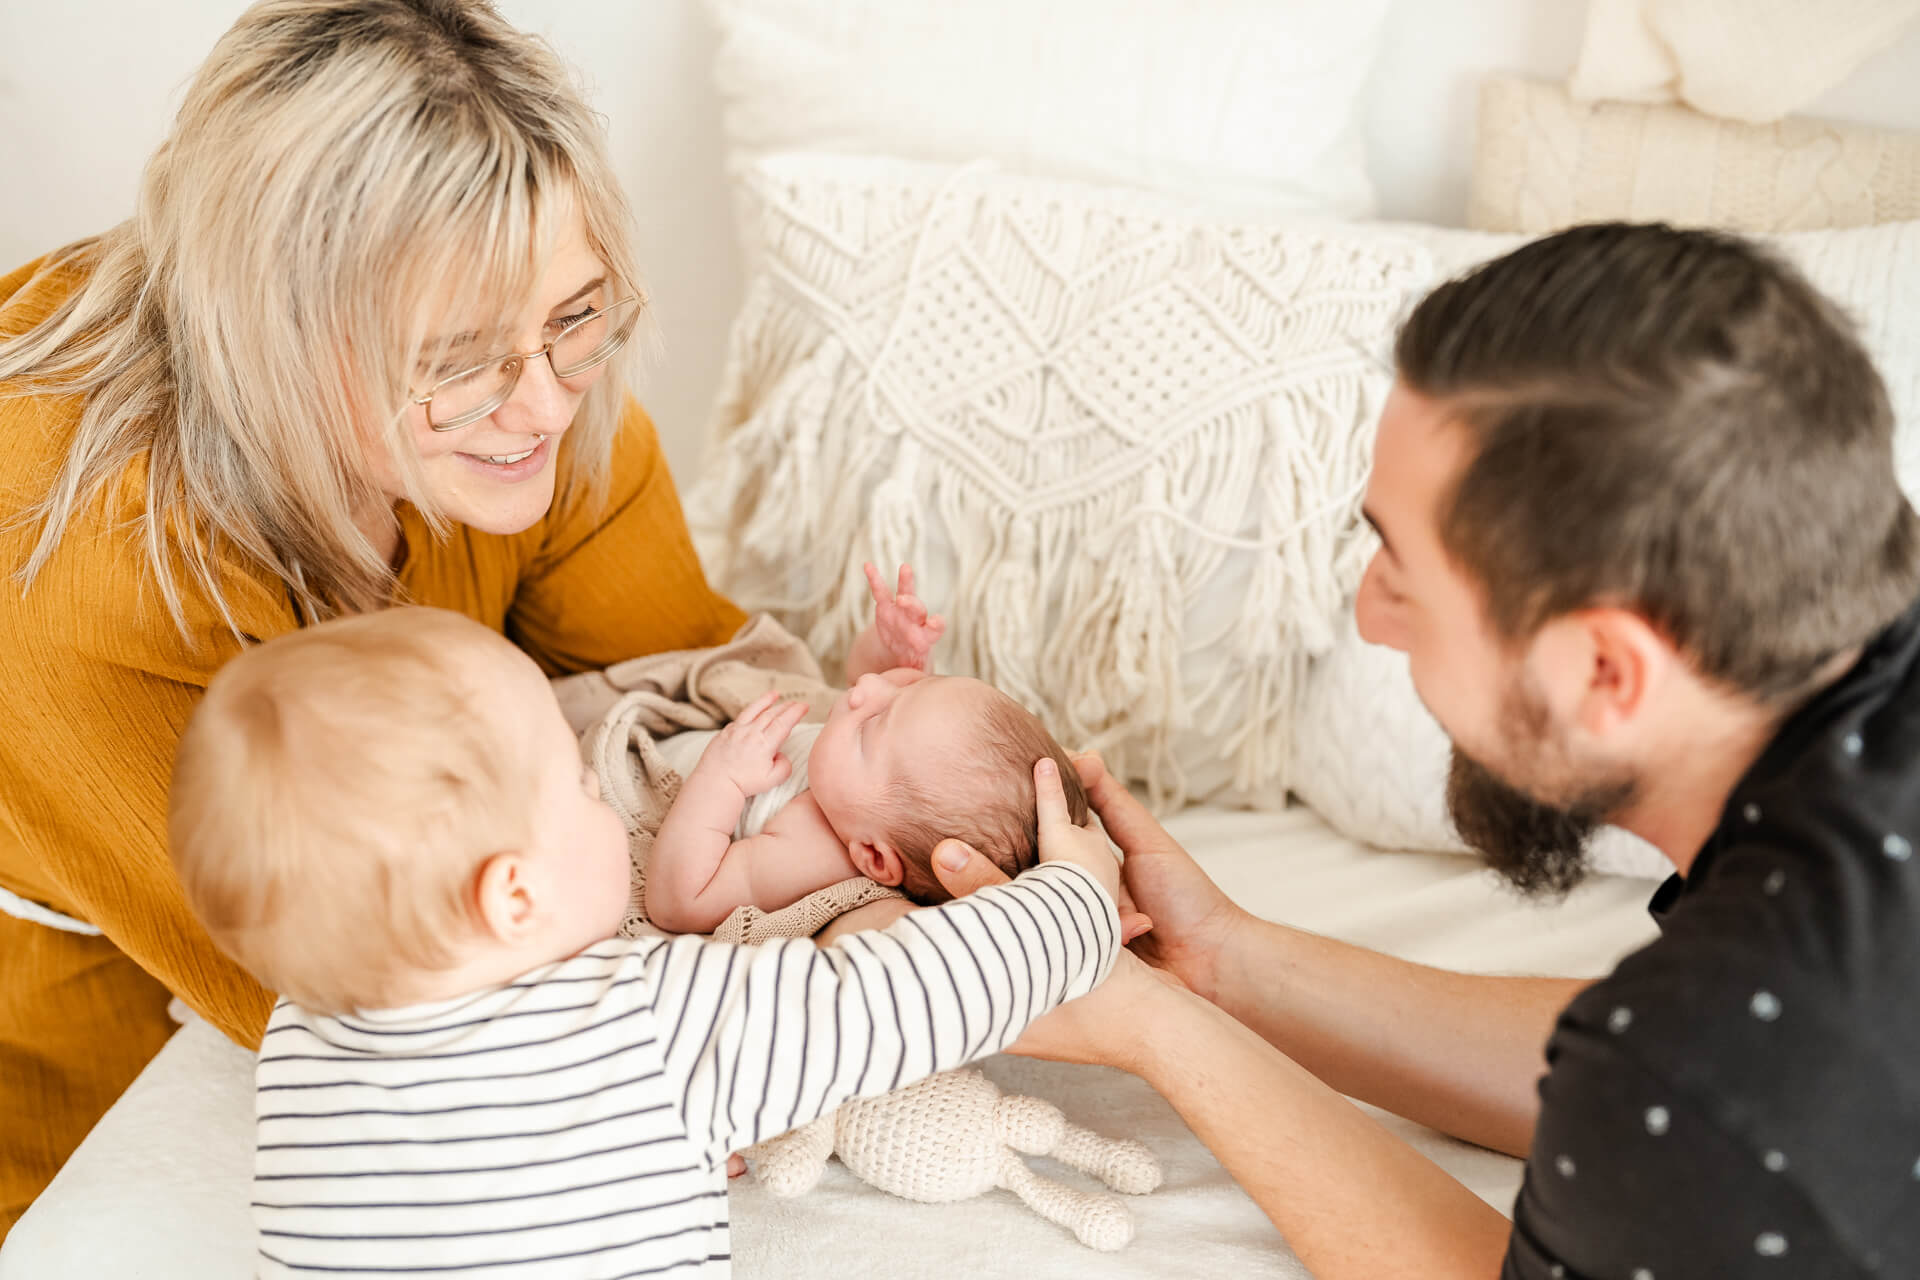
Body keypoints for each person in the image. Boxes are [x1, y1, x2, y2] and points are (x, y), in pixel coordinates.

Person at [918, 222, 1920, 1278]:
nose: (1369, 615)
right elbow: (1694, 1100)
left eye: (1403, 566)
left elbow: (1688, 1094)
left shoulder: (1709, 1052)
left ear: (1607, 671)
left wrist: (1152, 1029)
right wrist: (1225, 966)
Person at [0, 0, 746, 1233]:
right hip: (63, 1049)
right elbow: (416, 1001)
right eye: (458, 362)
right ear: (281, 341)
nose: (545, 405)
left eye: (577, 314)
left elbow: (703, 697)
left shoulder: (542, 386)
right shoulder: (71, 567)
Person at [166, 605, 1122, 1278]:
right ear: (514, 896)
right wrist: (1074, 896)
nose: (606, 795)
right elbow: (895, 999)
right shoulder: (647, 1017)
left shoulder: (298, 1035)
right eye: (582, 788)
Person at [646, 562, 1091, 933]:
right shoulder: (858, 793)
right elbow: (864, 686)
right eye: (919, 685)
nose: (868, 688)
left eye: (874, 722)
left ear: (874, 857)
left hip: (652, 777)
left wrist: (720, 779)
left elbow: (682, 900)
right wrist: (900, 655)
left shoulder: (812, 848)